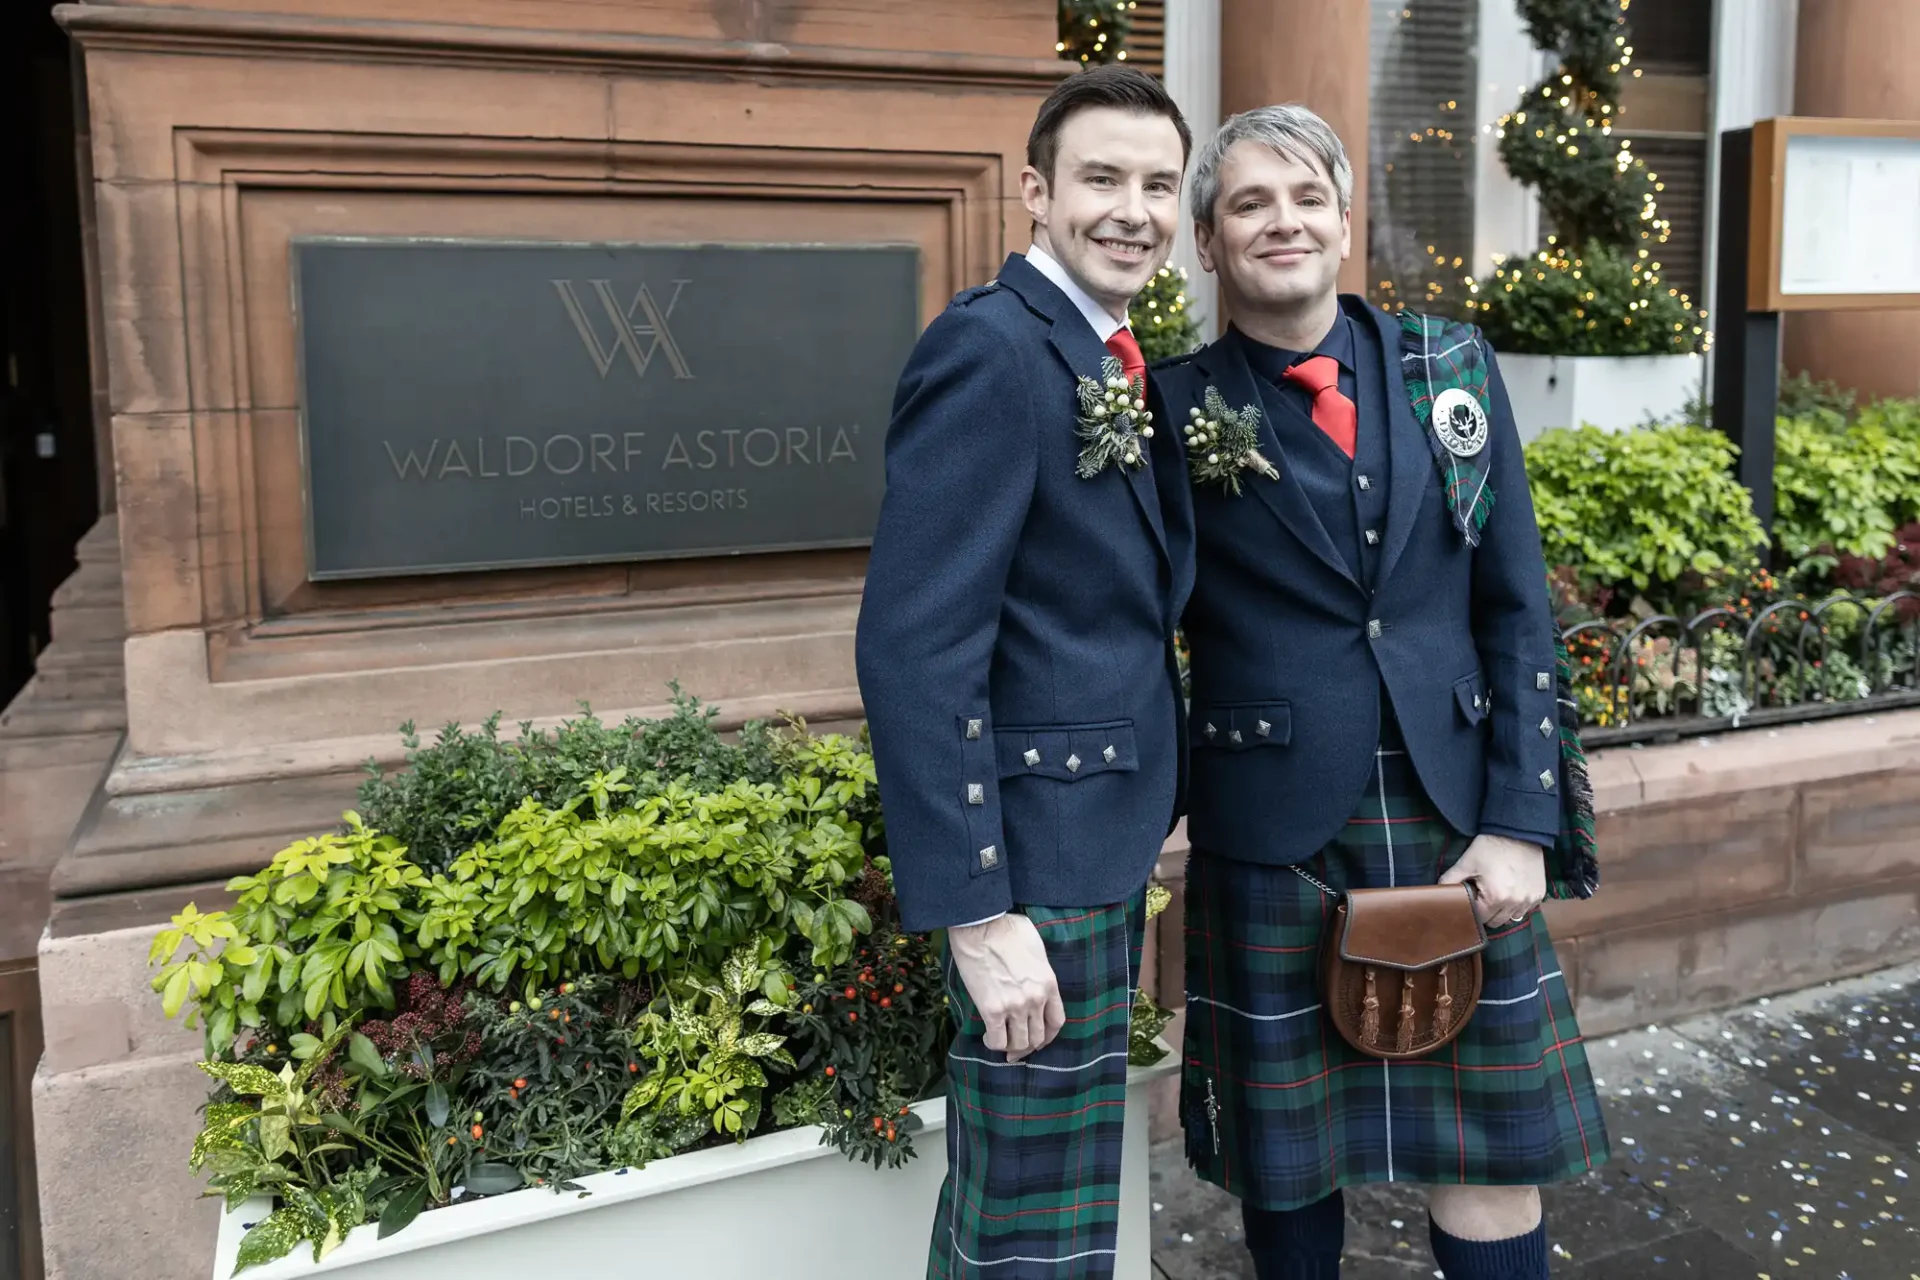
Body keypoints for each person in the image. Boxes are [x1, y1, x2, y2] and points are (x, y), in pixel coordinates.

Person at [1150, 104, 1608, 1280]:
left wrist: (1522, 821)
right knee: (1287, 1158)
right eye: (1249, 202)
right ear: (1208, 240)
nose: (1281, 222)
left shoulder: (1450, 369)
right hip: (1272, 828)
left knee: (1491, 1153)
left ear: (1346, 224)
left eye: (1306, 198)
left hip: (1458, 815)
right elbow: (1127, 622)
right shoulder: (1166, 406)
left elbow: (1515, 610)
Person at [854, 64, 1193, 1280]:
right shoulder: (992, 351)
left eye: (1160, 184)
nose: (1135, 209)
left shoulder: (1103, 349)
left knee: (1041, 1223)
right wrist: (982, 912)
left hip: (1090, 841)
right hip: (1032, 869)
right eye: (1104, 178)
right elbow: (915, 645)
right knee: (1029, 1238)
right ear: (1037, 194)